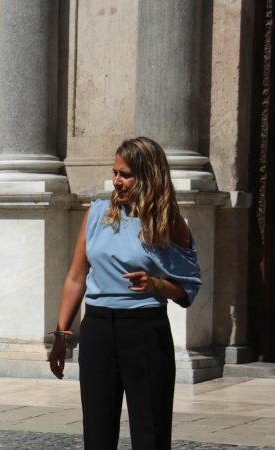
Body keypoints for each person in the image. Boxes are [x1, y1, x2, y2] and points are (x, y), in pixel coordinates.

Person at [48, 137, 202, 450]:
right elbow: (77, 276)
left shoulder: (168, 221)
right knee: (98, 432)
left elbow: (188, 285)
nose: (117, 181)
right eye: (115, 172)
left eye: (126, 174)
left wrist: (155, 284)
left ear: (148, 177)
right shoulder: (97, 214)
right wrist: (61, 335)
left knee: (150, 433)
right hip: (98, 329)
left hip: (145, 330)